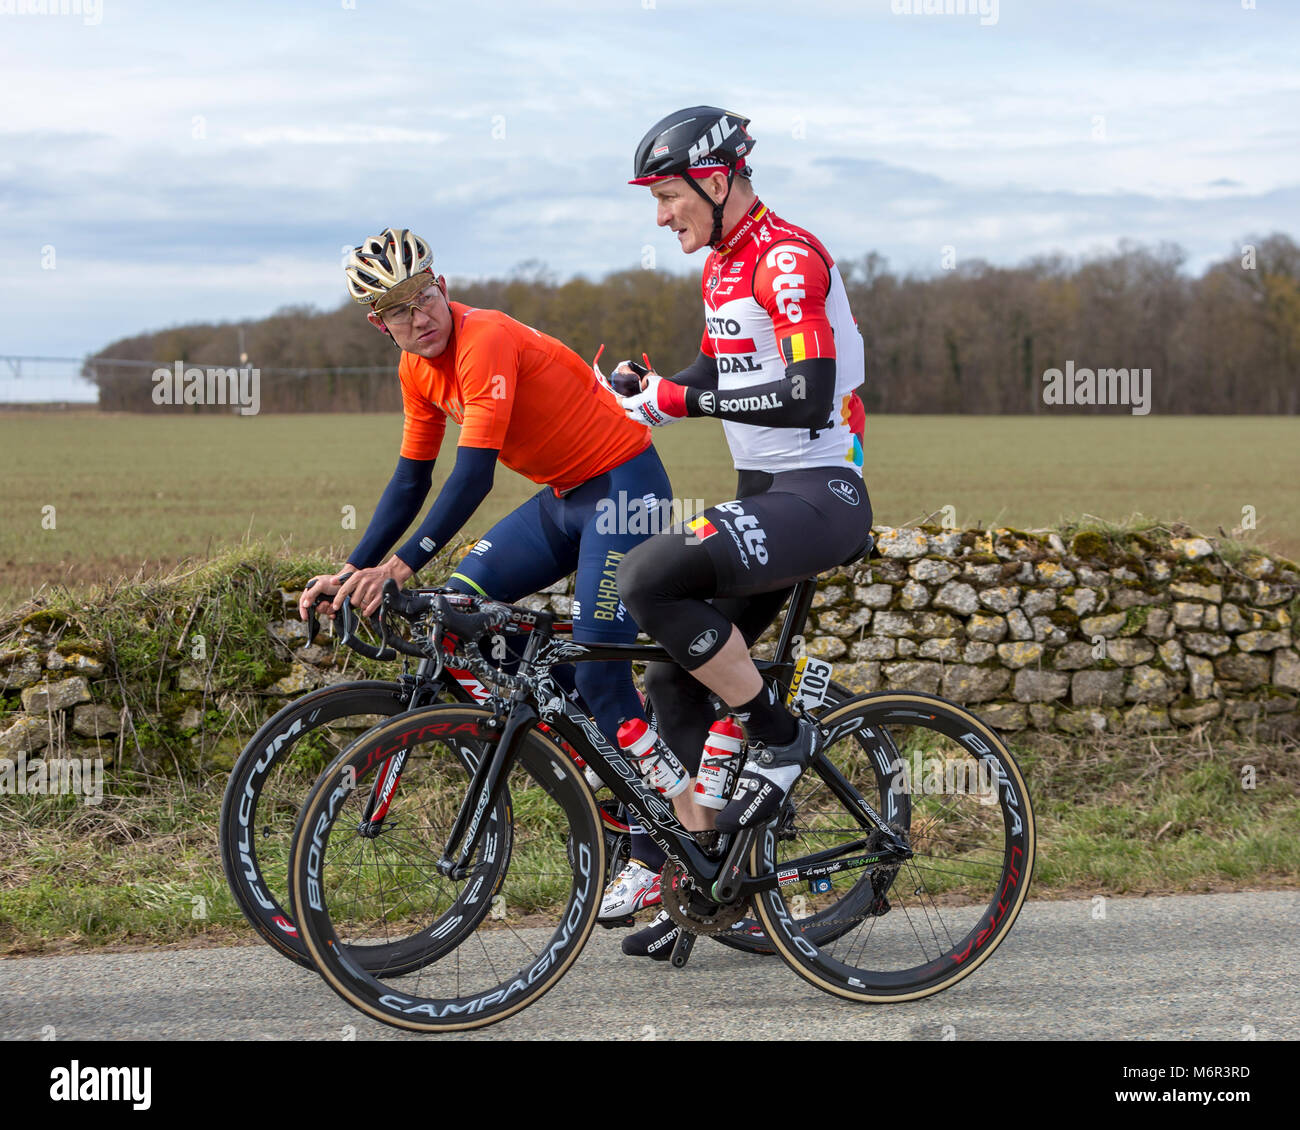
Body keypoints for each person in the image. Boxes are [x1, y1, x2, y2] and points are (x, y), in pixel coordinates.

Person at [609, 107, 874, 957]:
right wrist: (645, 391)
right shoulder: (724, 267)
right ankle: (711, 885)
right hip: (765, 495)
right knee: (677, 682)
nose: (660, 216)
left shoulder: (788, 258)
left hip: (818, 496)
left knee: (650, 579)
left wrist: (681, 402)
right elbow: (719, 372)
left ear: (716, 179)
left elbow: (803, 392)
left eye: (667, 196)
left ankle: (778, 732)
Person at [297, 226, 673, 761]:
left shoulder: (485, 338)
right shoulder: (415, 368)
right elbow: (411, 479)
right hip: (566, 497)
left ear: (442, 286)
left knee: (598, 670)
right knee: (460, 612)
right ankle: (609, 754)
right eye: (398, 311)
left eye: (424, 298)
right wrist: (352, 570)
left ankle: (656, 834)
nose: (419, 318)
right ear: (378, 323)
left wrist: (397, 568)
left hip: (625, 490)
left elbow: (474, 477)